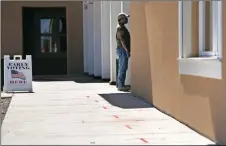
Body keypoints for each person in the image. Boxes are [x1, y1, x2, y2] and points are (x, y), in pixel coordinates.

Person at [116, 12, 131, 91]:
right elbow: (122, 40)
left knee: (122, 67)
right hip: (122, 49)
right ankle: (121, 85)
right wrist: (127, 50)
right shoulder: (120, 28)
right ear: (121, 20)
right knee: (123, 67)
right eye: (125, 18)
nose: (126, 20)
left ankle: (119, 84)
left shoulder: (121, 27)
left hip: (122, 49)